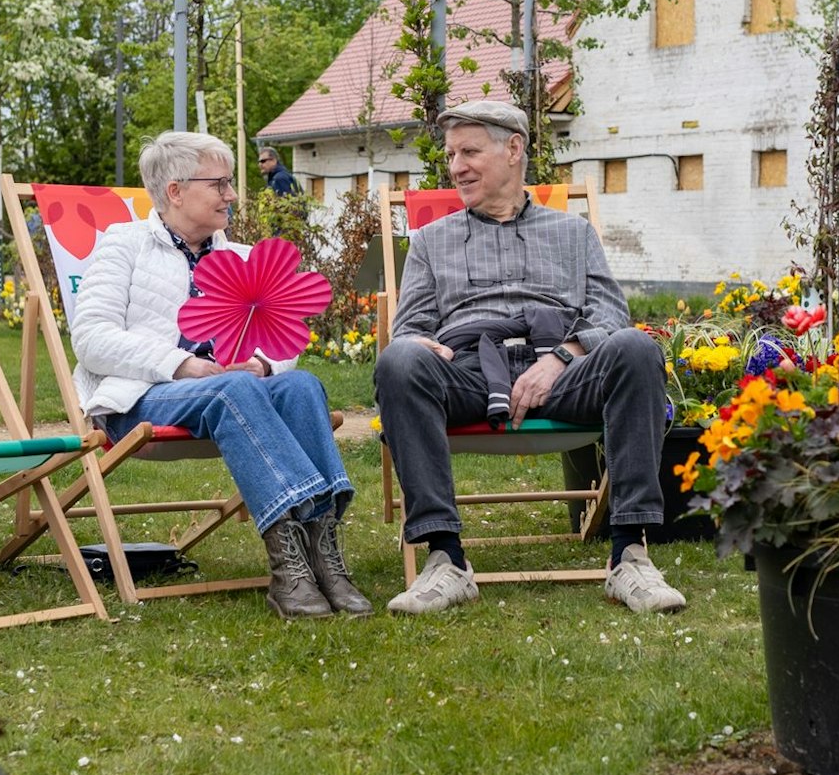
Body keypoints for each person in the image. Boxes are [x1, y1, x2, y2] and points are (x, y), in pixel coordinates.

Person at [373, 101, 685, 616]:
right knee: (399, 360)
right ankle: (445, 560)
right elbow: (411, 328)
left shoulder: (573, 233)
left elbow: (609, 314)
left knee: (636, 347)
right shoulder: (431, 240)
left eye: (470, 151)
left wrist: (561, 358)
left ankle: (628, 554)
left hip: (563, 369)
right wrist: (414, 346)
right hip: (471, 373)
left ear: (514, 149)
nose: (456, 166)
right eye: (452, 154)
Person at [70, 131, 368, 619]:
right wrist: (180, 364)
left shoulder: (243, 256)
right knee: (235, 388)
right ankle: (290, 567)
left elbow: (283, 335)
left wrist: (264, 363)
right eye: (221, 184)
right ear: (176, 191)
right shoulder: (124, 246)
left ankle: (323, 557)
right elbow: (91, 338)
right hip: (143, 398)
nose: (232, 195)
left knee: (300, 384)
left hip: (232, 391)